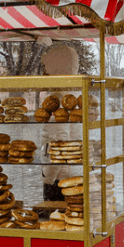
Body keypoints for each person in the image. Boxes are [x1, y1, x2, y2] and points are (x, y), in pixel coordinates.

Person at [40, 45, 81, 201]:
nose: (44, 73)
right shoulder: (77, 94)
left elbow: (58, 144)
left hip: (60, 178)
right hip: (76, 171)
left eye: (46, 68)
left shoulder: (56, 101)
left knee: (57, 217)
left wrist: (48, 179)